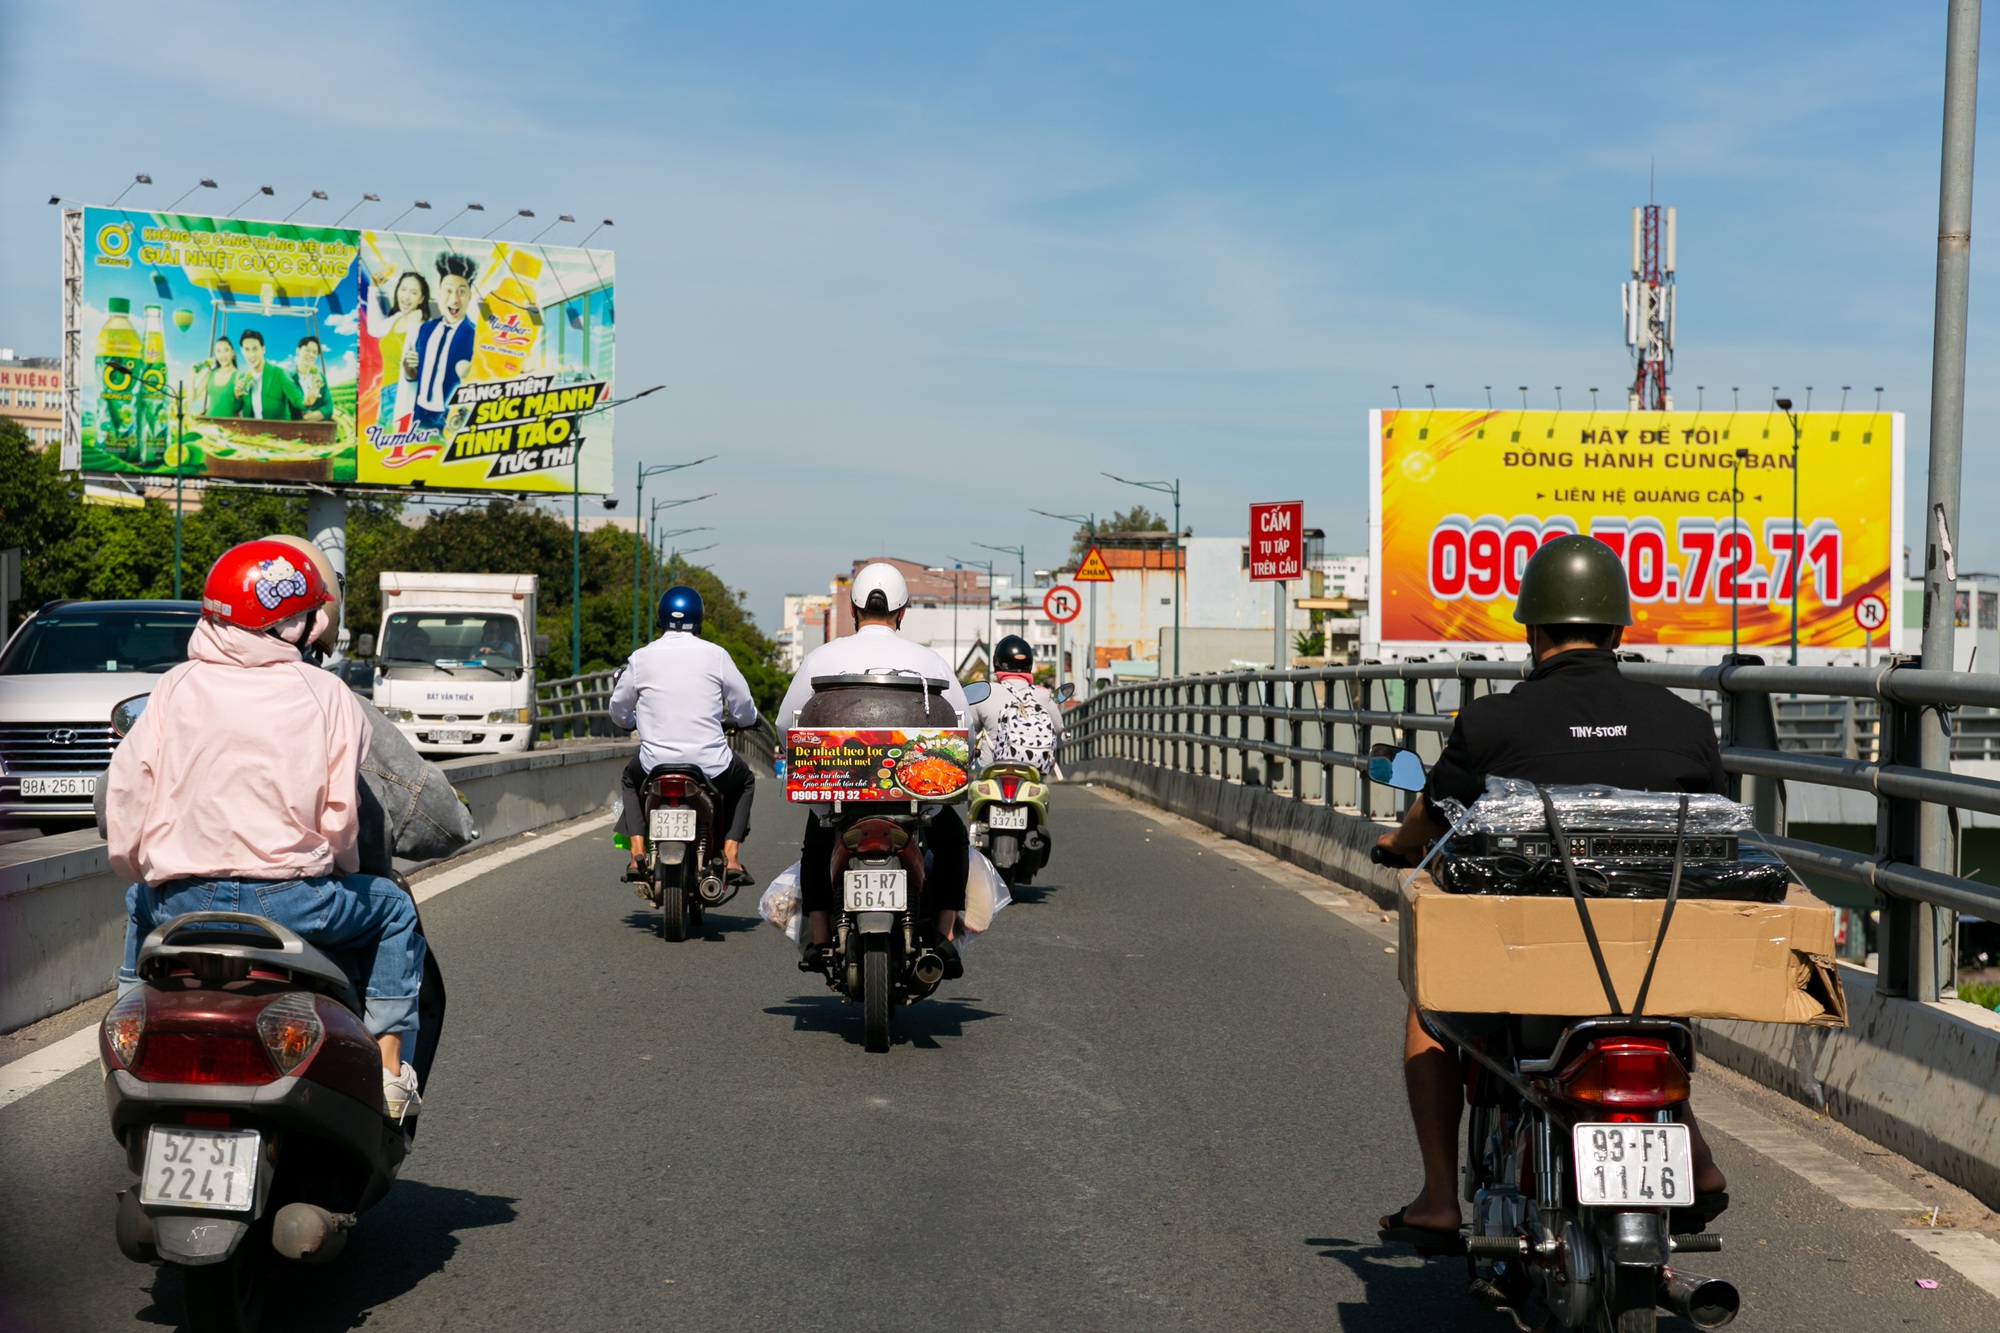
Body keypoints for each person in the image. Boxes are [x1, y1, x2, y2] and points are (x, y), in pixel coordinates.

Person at [1372, 534, 1731, 1253]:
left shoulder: (1490, 723)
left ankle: (1441, 1197)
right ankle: (1696, 1154)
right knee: (1653, 1009)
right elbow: (1713, 831)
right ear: (1619, 629)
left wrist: (1399, 845)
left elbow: (1432, 816)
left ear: (1532, 631)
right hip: (1650, 952)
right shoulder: (1688, 724)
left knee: (1431, 1002)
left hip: (1531, 957)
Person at [106, 540, 427, 1124]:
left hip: (183, 899)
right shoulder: (328, 694)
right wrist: (339, 868)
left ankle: (129, 1035)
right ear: (292, 624)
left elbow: (128, 790)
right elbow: (339, 816)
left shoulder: (175, 686)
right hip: (293, 901)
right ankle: (387, 1069)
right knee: (393, 910)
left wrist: (143, 869)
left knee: (135, 901)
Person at [776, 563, 972, 972]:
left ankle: (818, 936)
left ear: (853, 608)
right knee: (952, 838)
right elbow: (963, 726)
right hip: (914, 796)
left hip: (841, 795)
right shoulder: (929, 661)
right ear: (903, 611)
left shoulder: (821, 658)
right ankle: (946, 934)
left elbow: (785, 723)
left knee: (818, 838)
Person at [610, 585, 761, 887]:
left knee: (629, 779)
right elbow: (743, 703)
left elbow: (618, 707)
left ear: (660, 618)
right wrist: (747, 721)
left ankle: (636, 853)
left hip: (655, 765)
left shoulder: (641, 658)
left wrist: (629, 722)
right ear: (699, 618)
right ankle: (730, 856)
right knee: (745, 781)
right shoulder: (716, 655)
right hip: (710, 765)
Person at [969, 634, 1065, 775]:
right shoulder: (1042, 695)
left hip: (992, 770)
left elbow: (969, 733)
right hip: (1033, 772)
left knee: (974, 788)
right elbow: (1057, 731)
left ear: (997, 663)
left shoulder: (986, 693)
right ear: (1029, 664)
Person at [406, 252, 477, 432]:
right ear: (439, 293)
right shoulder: (426, 329)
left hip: (449, 418)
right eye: (448, 290)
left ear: (470, 295)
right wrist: (408, 367)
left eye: (461, 291)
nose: (454, 299)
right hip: (420, 411)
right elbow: (415, 375)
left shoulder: (477, 336)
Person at [371, 269, 431, 443]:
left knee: (391, 446)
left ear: (421, 299)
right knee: (379, 448)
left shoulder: (424, 327)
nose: (406, 296)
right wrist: (374, 288)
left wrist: (413, 325)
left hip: (402, 393)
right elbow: (374, 328)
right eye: (403, 289)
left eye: (413, 293)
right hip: (385, 393)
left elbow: (418, 370)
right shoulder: (396, 318)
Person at [234, 329, 306, 422]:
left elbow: (297, 400)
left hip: (279, 431)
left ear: (263, 349)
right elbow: (236, 408)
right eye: (247, 350)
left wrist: (307, 401)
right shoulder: (242, 378)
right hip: (252, 432)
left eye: (255, 349)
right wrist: (236, 395)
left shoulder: (280, 373)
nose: (251, 354)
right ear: (242, 351)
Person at [191, 335, 244, 419]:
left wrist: (237, 396)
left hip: (228, 426)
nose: (222, 355)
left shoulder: (238, 376)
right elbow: (192, 398)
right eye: (218, 351)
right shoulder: (210, 374)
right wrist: (192, 378)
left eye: (226, 350)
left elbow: (239, 408)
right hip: (208, 424)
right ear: (215, 355)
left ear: (232, 353)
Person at [296, 336, 331, 422]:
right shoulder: (287, 377)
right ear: (298, 351)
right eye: (307, 350)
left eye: (315, 352)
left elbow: (328, 406)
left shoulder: (320, 378)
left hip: (316, 428)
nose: (311, 355)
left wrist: (306, 418)